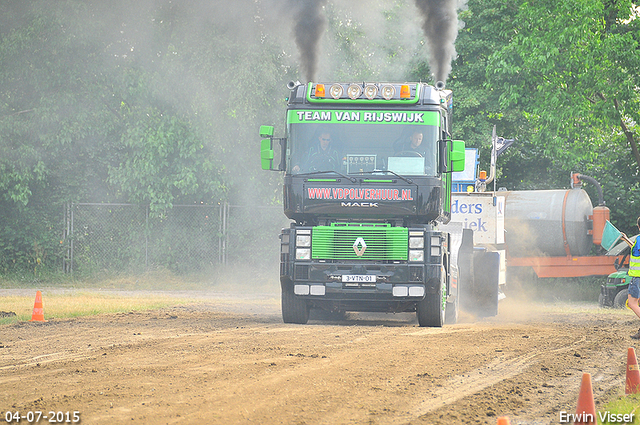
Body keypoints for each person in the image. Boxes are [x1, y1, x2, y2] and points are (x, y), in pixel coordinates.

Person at [621, 217, 640, 339]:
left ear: (638, 226)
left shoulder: (639, 239)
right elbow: (635, 249)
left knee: (632, 303)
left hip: (637, 277)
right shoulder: (637, 242)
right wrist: (625, 239)